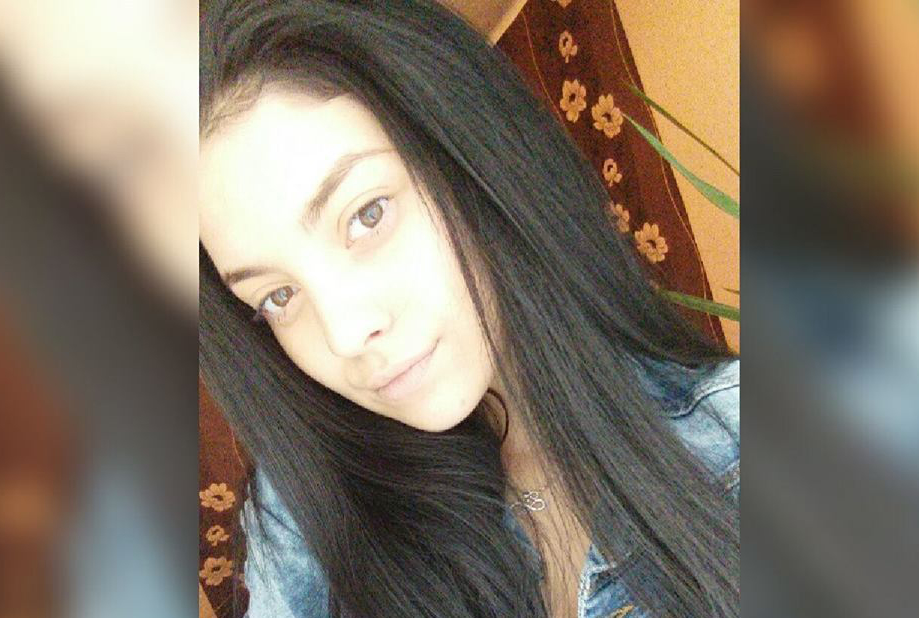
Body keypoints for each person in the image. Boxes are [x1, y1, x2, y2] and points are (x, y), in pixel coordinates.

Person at [198, 1, 739, 617]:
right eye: (277, 296)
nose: (345, 334)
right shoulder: (307, 520)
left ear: (472, 157)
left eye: (367, 215)